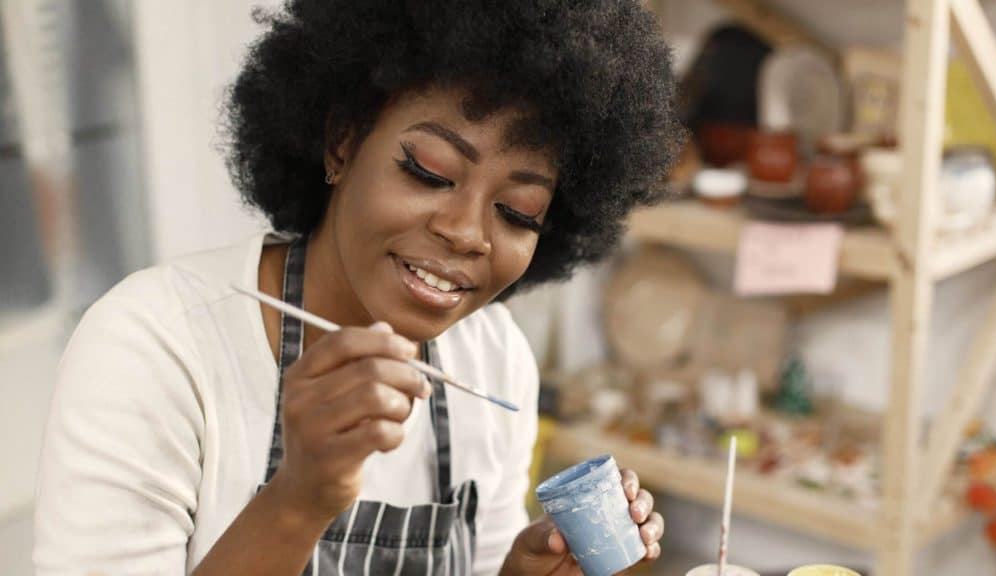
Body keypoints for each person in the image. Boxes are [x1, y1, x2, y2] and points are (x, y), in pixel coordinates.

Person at [34, 1, 681, 574]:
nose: (466, 233)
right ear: (341, 141)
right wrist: (300, 498)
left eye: (517, 212)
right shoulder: (152, 347)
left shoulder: (492, 357)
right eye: (429, 172)